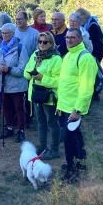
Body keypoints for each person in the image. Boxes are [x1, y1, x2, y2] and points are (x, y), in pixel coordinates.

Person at [56, 28, 98, 181]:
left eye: (73, 38)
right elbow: (65, 82)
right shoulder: (68, 55)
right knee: (74, 138)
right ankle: (78, 164)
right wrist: (59, 106)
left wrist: (77, 110)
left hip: (74, 108)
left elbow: (86, 88)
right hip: (64, 106)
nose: (69, 40)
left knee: (69, 139)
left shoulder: (85, 57)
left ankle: (72, 170)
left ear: (80, 39)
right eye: (67, 37)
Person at [24, 31, 62, 160]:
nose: (42, 44)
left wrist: (42, 78)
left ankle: (54, 149)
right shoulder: (35, 55)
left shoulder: (56, 58)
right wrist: (31, 73)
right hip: (36, 94)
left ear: (51, 43)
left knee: (52, 123)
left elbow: (58, 81)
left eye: (45, 42)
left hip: (49, 96)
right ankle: (42, 146)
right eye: (39, 41)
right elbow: (26, 72)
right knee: (40, 122)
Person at [0, 23, 29, 143]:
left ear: (13, 33)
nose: (4, 35)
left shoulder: (20, 47)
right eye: (2, 33)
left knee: (19, 108)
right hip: (2, 84)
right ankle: (9, 128)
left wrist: (9, 69)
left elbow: (23, 68)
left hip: (17, 85)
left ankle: (21, 130)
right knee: (6, 107)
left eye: (6, 33)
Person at [15, 10, 39, 126]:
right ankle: (17, 117)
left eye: (20, 19)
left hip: (30, 68)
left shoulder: (34, 33)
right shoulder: (13, 32)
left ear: (26, 20)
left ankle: (29, 117)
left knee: (29, 94)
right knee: (18, 94)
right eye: (16, 19)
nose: (18, 21)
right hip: (16, 69)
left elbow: (38, 51)